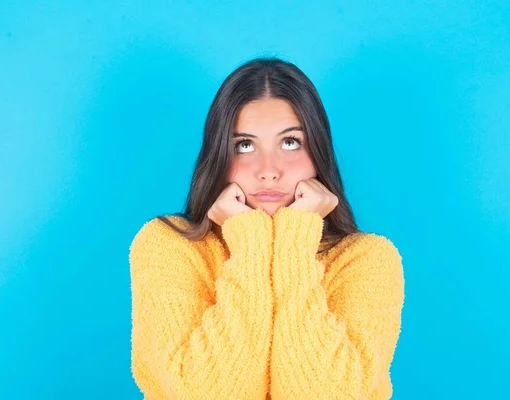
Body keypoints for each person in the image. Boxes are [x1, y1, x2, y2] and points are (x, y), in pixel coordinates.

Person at [129, 56, 405, 399]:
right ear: (219, 155)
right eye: (244, 145)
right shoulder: (170, 245)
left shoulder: (366, 259)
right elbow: (202, 392)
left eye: (290, 142)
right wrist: (250, 243)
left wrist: (295, 240)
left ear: (318, 152)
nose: (268, 170)